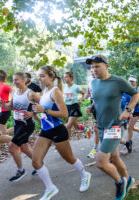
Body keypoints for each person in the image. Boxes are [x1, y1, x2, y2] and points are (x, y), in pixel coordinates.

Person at [32, 66, 91, 200]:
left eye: (42, 76)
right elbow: (43, 112)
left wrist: (44, 110)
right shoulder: (44, 92)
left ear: (51, 77)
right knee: (36, 162)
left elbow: (64, 114)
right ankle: (50, 188)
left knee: (69, 158)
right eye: (38, 76)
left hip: (58, 130)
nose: (39, 78)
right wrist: (35, 112)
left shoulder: (55, 91)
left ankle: (85, 175)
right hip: (46, 130)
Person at [86, 55, 139, 200]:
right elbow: (98, 101)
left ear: (106, 66)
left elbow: (135, 95)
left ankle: (120, 182)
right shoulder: (94, 83)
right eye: (92, 67)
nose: (94, 69)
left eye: (97, 66)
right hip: (102, 127)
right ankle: (128, 179)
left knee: (101, 162)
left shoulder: (118, 81)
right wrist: (91, 107)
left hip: (114, 126)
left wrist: (128, 110)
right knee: (115, 158)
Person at [0, 72, 39, 181]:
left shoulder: (30, 93)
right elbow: (11, 107)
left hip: (26, 125)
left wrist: (32, 113)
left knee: (12, 147)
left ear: (24, 80)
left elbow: (43, 104)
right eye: (13, 80)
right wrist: (4, 105)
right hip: (17, 123)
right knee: (25, 148)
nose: (14, 82)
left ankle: (21, 170)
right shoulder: (15, 92)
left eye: (16, 79)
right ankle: (40, 164)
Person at [120, 76, 139, 154]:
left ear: (136, 82)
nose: (131, 82)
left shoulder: (137, 90)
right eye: (130, 81)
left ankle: (127, 144)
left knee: (129, 127)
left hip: (135, 111)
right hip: (127, 111)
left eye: (132, 81)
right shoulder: (125, 90)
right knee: (130, 127)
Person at [63, 72, 85, 137]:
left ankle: (67, 143)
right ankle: (86, 130)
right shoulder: (64, 86)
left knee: (68, 126)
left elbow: (83, 93)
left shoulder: (76, 87)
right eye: (64, 77)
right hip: (67, 107)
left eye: (66, 77)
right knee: (76, 126)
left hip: (75, 107)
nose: (65, 78)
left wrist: (81, 100)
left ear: (71, 78)